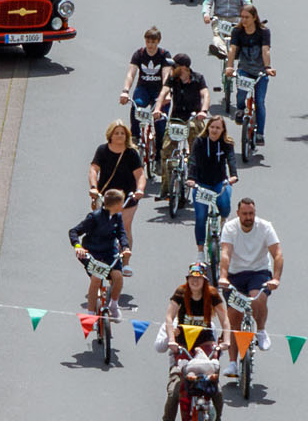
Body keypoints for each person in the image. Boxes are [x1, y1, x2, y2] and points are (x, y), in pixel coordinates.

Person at [152, 263, 233, 421]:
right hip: (183, 343)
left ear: (205, 281)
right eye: (192, 278)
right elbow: (169, 317)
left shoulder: (212, 295)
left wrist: (226, 341)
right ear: (187, 279)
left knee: (216, 387)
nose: (195, 282)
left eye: (199, 279)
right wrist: (172, 340)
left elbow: (225, 320)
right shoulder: (181, 293)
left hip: (205, 341)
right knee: (177, 389)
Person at [218, 196, 282, 349]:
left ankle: (260, 330)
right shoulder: (230, 227)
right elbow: (226, 253)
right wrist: (223, 276)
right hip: (235, 274)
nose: (248, 218)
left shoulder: (265, 227)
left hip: (258, 271)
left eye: (251, 214)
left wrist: (276, 278)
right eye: (245, 214)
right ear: (238, 213)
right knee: (234, 315)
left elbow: (277, 254)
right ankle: (234, 363)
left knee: (256, 298)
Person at [68, 189, 130, 320]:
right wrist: (77, 246)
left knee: (118, 276)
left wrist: (125, 247)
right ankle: (90, 316)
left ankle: (114, 304)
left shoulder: (118, 217)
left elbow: (122, 234)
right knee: (96, 278)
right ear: (115, 204)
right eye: (121, 203)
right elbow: (74, 231)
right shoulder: (94, 217)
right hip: (92, 252)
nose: (123, 206)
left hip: (109, 252)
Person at [153, 53, 210, 192]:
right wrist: (158, 109)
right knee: (166, 151)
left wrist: (203, 111)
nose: (171, 68)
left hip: (193, 118)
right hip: (176, 119)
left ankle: (197, 181)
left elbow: (206, 94)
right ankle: (166, 189)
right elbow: (163, 93)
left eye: (174, 66)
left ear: (183, 67)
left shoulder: (198, 78)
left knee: (197, 149)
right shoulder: (173, 79)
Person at [88, 120, 146, 257]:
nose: (120, 136)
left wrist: (140, 190)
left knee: (124, 228)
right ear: (110, 135)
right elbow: (94, 169)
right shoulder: (102, 150)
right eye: (116, 133)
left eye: (122, 133)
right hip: (106, 198)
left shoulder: (131, 153)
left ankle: (125, 262)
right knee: (102, 227)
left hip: (127, 198)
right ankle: (100, 256)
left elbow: (140, 175)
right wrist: (93, 188)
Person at [225, 7, 275, 147]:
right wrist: (229, 67)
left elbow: (265, 50)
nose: (244, 20)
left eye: (247, 17)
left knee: (259, 102)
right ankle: (240, 109)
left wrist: (267, 68)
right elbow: (232, 49)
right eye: (242, 17)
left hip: (260, 72)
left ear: (254, 17)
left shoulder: (263, 32)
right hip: (245, 70)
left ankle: (260, 133)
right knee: (241, 93)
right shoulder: (237, 31)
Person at [120, 27, 173, 159]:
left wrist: (166, 93)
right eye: (148, 42)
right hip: (143, 89)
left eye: (153, 42)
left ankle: (159, 155)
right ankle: (135, 137)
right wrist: (125, 91)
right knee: (136, 106)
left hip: (159, 92)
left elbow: (167, 75)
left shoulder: (164, 55)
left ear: (158, 42)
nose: (150, 45)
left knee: (160, 123)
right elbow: (131, 74)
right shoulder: (139, 54)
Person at [188, 113, 237, 252]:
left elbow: (231, 160)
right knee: (200, 217)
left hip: (219, 182)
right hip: (202, 184)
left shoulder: (227, 144)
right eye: (212, 127)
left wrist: (233, 175)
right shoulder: (199, 142)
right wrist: (191, 178)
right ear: (208, 128)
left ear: (223, 130)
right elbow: (193, 161)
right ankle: (200, 251)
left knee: (225, 207)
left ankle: (222, 221)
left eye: (218, 128)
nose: (214, 130)